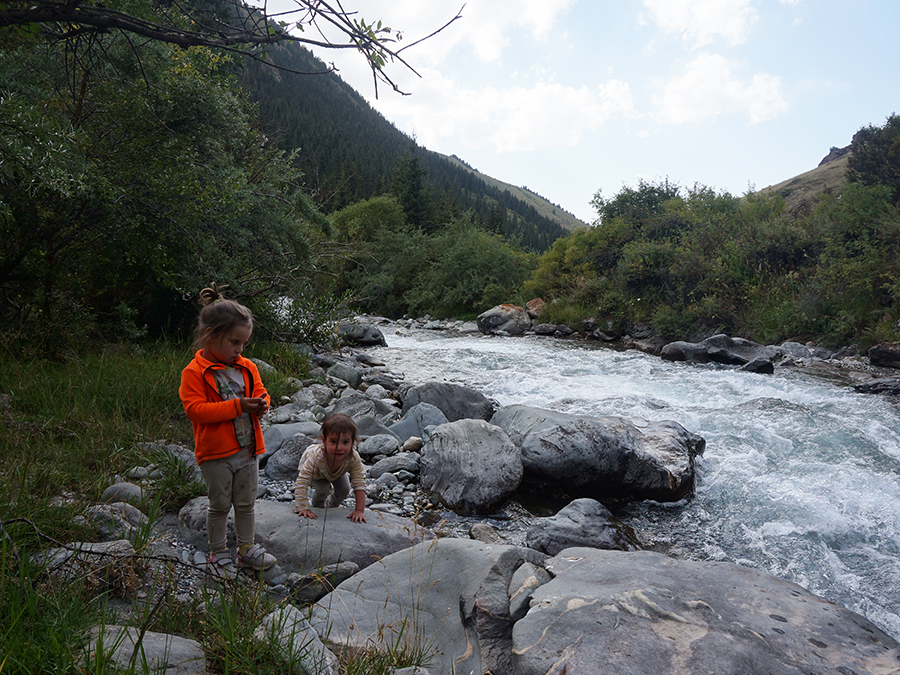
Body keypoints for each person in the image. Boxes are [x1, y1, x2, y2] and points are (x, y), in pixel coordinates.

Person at [179, 283, 276, 578]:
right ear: (210, 336)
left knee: (246, 503)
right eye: (234, 342)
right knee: (219, 505)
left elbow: (262, 393)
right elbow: (196, 411)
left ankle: (246, 549)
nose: (240, 349)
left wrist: (262, 405)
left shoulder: (247, 368)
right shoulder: (194, 373)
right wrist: (238, 407)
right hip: (215, 454)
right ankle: (217, 551)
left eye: (243, 343)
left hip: (248, 450)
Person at [295, 413, 367, 523]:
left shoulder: (352, 457)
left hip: (337, 471)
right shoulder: (316, 457)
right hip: (316, 474)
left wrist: (359, 510)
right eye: (333, 442)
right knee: (324, 489)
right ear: (324, 441)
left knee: (344, 489)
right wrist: (303, 507)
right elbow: (302, 481)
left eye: (345, 442)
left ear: (353, 442)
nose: (339, 448)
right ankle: (318, 508)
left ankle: (332, 507)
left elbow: (359, 482)